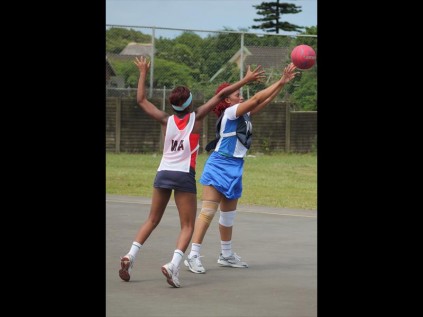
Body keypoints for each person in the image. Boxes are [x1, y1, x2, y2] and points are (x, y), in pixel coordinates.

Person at [118, 56, 265, 288]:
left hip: (163, 173)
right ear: (189, 103)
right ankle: (173, 265)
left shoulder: (165, 120)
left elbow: (141, 99)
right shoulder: (196, 118)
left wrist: (143, 72)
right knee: (187, 225)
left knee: (152, 219)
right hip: (183, 175)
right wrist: (245, 80)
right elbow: (220, 96)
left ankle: (130, 255)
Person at [184, 63, 298, 274]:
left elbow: (263, 100)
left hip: (236, 166)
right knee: (208, 212)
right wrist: (278, 81)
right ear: (227, 99)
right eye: (238, 94)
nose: (242, 97)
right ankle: (193, 256)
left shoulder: (243, 115)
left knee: (228, 216)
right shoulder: (230, 112)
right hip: (219, 164)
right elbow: (256, 98)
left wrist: (281, 83)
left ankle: (226, 255)